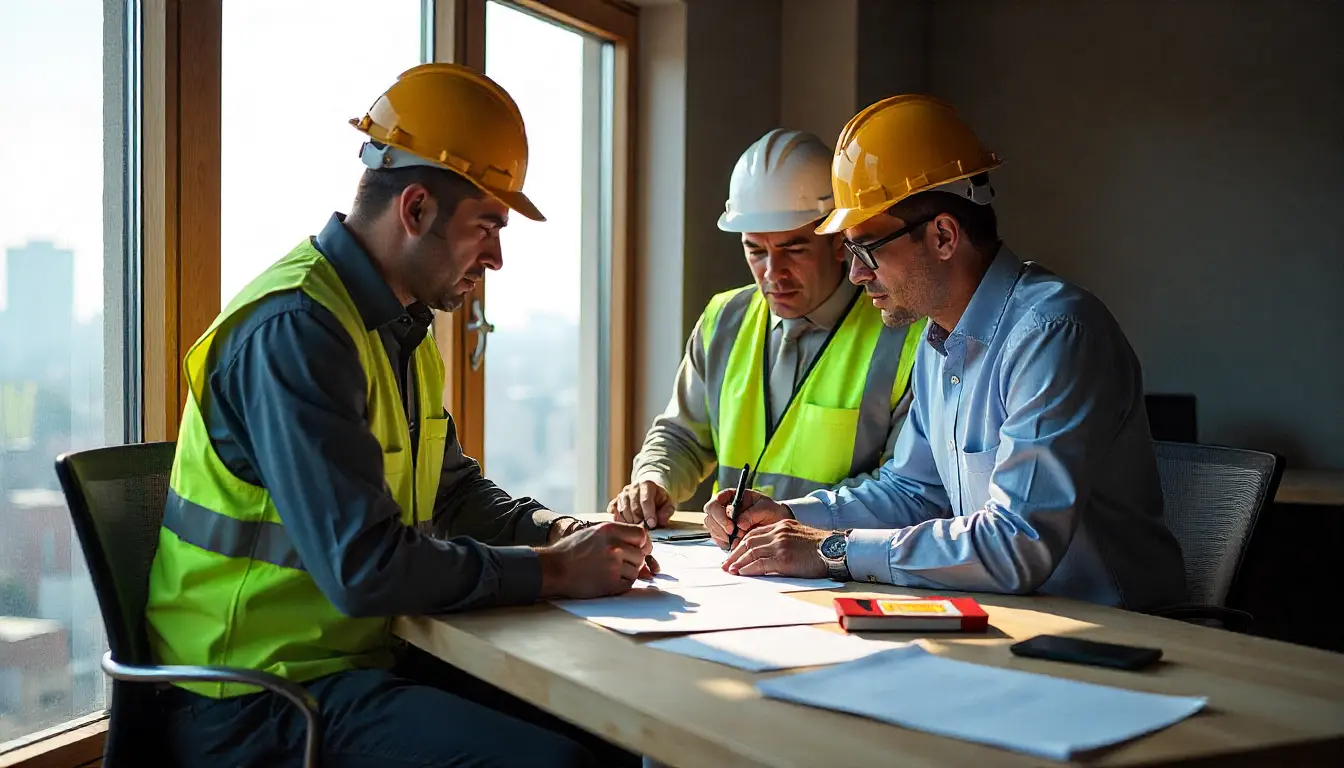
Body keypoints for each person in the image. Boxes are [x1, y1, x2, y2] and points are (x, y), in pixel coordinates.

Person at [142, 63, 651, 767]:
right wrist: (554, 572)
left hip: (353, 666)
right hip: (258, 699)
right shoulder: (298, 332)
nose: (497, 258)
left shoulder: (393, 326)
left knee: (608, 728)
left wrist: (561, 531)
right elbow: (365, 569)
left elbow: (454, 492)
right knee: (563, 762)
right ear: (415, 211)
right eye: (486, 226)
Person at [709, 95, 1187, 612]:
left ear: (942, 235)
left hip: (1117, 640)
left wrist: (831, 549)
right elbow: (914, 492)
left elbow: (1016, 544)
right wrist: (789, 516)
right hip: (1017, 625)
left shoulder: (1054, 335)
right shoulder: (937, 344)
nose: (856, 274)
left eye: (867, 249)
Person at [609, 129, 926, 529]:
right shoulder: (723, 319)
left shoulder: (904, 334)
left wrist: (796, 520)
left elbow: (908, 490)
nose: (773, 274)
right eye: (755, 250)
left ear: (837, 241)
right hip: (739, 572)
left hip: (840, 569)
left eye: (793, 249)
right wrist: (654, 479)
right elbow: (682, 436)